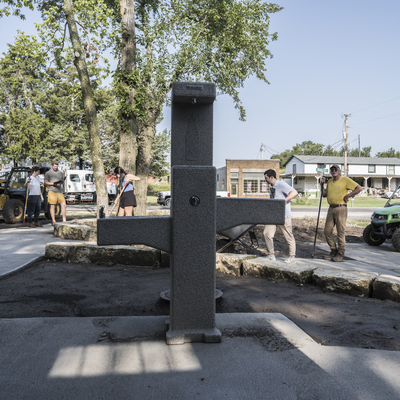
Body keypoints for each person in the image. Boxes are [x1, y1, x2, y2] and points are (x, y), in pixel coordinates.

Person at [321, 164, 363, 262]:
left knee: (340, 232)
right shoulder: (330, 182)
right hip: (331, 208)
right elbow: (324, 194)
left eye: (335, 169)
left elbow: (359, 188)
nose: (333, 171)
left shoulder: (345, 180)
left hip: (341, 208)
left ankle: (340, 254)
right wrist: (322, 184)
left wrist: (349, 195)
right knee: (327, 231)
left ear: (339, 171)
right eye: (332, 170)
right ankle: (333, 251)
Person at [263, 169, 298, 263]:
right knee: (267, 233)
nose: (265, 180)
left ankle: (292, 257)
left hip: (284, 216)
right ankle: (271, 255)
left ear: (271, 177)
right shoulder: (272, 187)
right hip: (273, 216)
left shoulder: (281, 184)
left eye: (266, 178)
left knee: (288, 236)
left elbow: (294, 192)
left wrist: (284, 201)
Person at [44, 161, 67, 225]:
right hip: (52, 191)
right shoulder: (48, 173)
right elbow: (45, 182)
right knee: (53, 206)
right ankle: (53, 221)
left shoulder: (60, 173)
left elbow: (62, 181)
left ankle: (64, 220)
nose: (55, 167)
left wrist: (62, 182)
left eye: (56, 166)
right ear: (52, 165)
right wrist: (53, 183)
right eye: (54, 166)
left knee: (64, 205)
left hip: (59, 191)